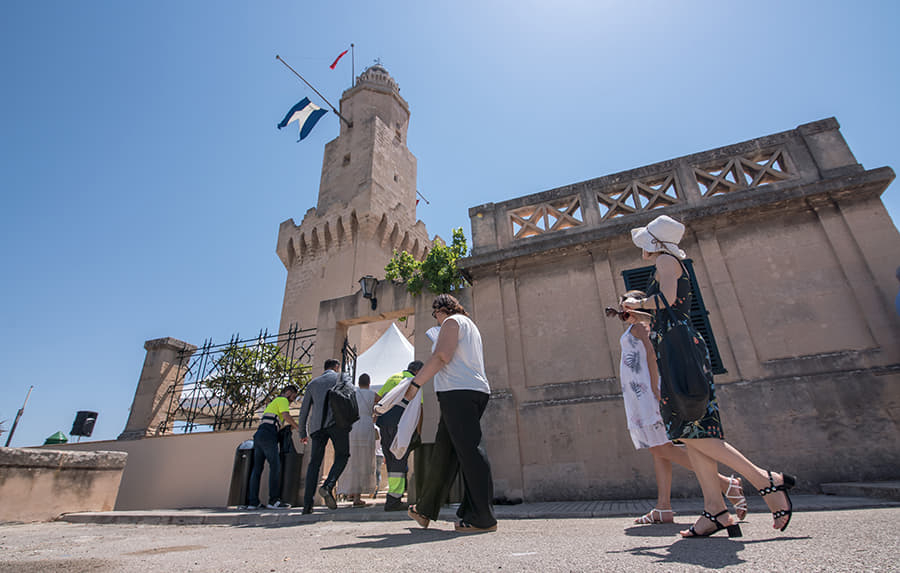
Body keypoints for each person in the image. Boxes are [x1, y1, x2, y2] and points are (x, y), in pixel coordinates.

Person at [623, 214, 795, 537]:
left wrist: (639, 301)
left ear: (656, 243)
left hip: (678, 353)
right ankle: (715, 509)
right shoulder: (671, 261)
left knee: (693, 431)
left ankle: (764, 480)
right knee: (693, 432)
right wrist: (639, 311)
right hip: (679, 347)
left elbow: (669, 300)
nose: (643, 249)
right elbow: (670, 307)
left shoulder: (664, 260)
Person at [611, 291, 747, 525]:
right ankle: (663, 507)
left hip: (648, 392)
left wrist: (655, 387)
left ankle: (727, 484)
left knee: (662, 448)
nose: (624, 312)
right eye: (622, 309)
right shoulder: (639, 326)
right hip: (640, 392)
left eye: (627, 307)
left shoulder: (643, 325)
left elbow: (652, 354)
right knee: (659, 449)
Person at [405, 294, 498, 533]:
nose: (435, 320)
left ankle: (482, 518)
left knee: (471, 452)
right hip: (468, 392)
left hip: (459, 393)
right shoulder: (470, 326)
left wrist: (415, 384)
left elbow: (441, 356)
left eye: (435, 314)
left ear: (440, 309)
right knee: (444, 453)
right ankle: (425, 509)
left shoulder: (451, 322)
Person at [297, 359, 351, 514]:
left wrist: (303, 432)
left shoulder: (313, 383)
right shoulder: (342, 378)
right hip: (337, 424)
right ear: (336, 367)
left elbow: (304, 410)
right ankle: (328, 485)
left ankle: (307, 505)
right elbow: (351, 399)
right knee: (342, 455)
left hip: (317, 427)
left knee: (314, 464)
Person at [375, 360, 424, 511]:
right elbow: (419, 410)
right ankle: (394, 500)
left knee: (390, 459)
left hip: (385, 424)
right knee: (399, 459)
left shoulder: (394, 377)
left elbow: (378, 398)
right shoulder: (415, 383)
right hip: (400, 425)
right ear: (417, 372)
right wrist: (418, 432)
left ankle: (393, 495)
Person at [246, 385, 300, 509]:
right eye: (293, 396)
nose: (292, 400)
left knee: (257, 469)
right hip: (269, 435)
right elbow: (286, 416)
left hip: (259, 435)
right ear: (287, 392)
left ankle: (253, 502)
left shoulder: (273, 403)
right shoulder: (282, 400)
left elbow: (276, 421)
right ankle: (273, 500)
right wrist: (298, 427)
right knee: (275, 467)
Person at [337, 373, 378, 507]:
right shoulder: (372, 394)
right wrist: (374, 416)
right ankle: (358, 496)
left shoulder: (352, 394)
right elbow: (383, 404)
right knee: (364, 460)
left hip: (353, 425)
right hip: (366, 425)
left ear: (358, 383)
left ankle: (351, 493)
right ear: (369, 383)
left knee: (352, 459)